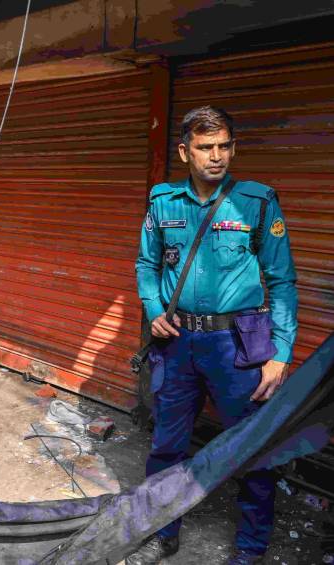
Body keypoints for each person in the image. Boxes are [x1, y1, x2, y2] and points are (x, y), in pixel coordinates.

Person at [130, 106, 298, 565]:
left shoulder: (257, 202)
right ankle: (162, 532)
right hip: (177, 343)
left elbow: (282, 281)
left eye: (224, 146)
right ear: (186, 152)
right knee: (167, 445)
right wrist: (152, 309)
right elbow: (147, 264)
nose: (217, 156)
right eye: (206, 148)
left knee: (252, 448)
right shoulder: (163, 202)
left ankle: (250, 549)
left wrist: (280, 353)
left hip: (237, 346)